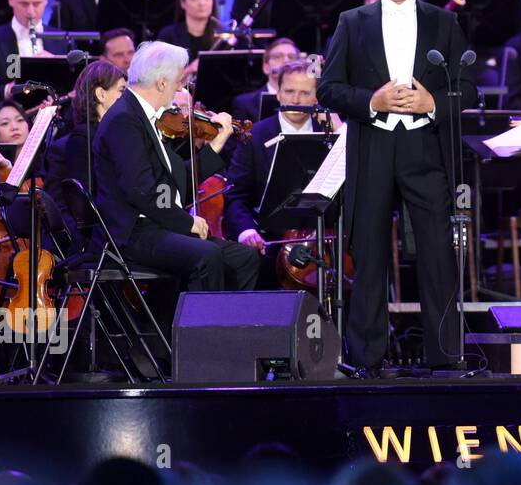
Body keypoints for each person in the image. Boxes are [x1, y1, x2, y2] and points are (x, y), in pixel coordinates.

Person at [318, 0, 478, 375]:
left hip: (424, 149)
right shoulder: (353, 21)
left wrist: (433, 104)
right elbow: (328, 88)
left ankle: (445, 357)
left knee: (436, 252)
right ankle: (366, 359)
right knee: (367, 251)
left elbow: (468, 89)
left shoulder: (443, 23)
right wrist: (373, 101)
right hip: (373, 146)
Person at [92, 41, 259, 297]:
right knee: (207, 255)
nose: (180, 88)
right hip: (133, 233)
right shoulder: (124, 119)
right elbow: (141, 190)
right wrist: (186, 221)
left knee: (243, 257)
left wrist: (215, 146)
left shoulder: (147, 116)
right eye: (178, 82)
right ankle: (203, 335)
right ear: (161, 82)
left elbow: (176, 183)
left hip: (158, 224)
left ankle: (230, 329)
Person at [226, 59, 327, 284]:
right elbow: (236, 194)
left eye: (304, 93)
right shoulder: (256, 136)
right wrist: (246, 231)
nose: (296, 99)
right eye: (289, 91)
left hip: (319, 237)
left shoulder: (329, 132)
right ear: (278, 93)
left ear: (316, 97)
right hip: (269, 238)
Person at [47, 59, 128, 193]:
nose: (126, 98)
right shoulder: (82, 140)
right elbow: (83, 200)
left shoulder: (121, 134)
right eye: (121, 91)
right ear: (101, 94)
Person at [156, 0, 220, 72]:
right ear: (182, 2)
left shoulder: (223, 35)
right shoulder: (167, 36)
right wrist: (188, 71)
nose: (201, 3)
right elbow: (158, 76)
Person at [231, 37, 301, 123]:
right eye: (278, 57)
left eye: (291, 57)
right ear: (266, 67)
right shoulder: (244, 103)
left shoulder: (309, 101)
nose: (286, 61)